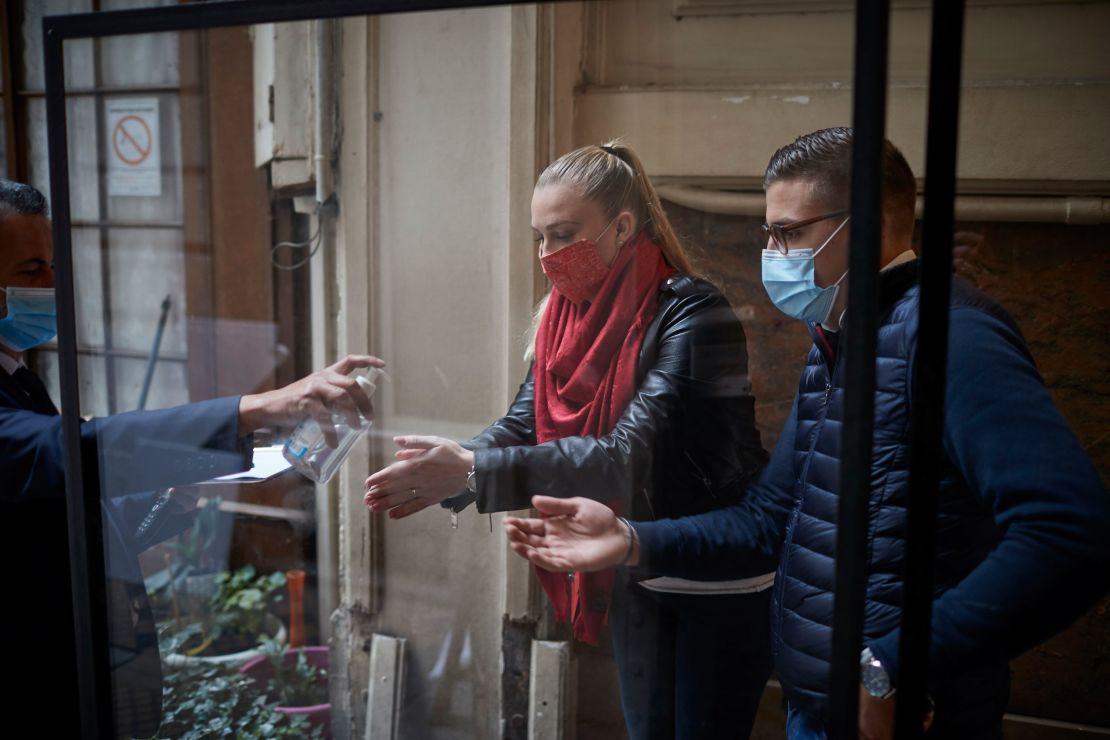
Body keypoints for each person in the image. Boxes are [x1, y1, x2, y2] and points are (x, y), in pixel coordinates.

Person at [504, 128, 1110, 739]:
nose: (772, 253)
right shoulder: (840, 341)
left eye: (790, 234)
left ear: (868, 224)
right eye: (769, 233)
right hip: (820, 708)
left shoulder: (951, 337)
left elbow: (1070, 532)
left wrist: (894, 665)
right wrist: (630, 539)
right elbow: (771, 516)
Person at [363, 142, 773, 738]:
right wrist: (448, 465)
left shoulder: (693, 313)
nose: (546, 255)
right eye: (539, 237)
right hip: (631, 560)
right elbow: (524, 423)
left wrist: (474, 468)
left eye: (562, 234)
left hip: (712, 572)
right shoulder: (564, 315)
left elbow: (628, 456)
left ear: (621, 227)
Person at [0, 179, 384, 737]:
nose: (53, 286)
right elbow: (56, 455)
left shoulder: (16, 373)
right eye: (32, 270)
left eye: (55, 266)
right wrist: (255, 408)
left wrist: (166, 501)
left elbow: (55, 510)